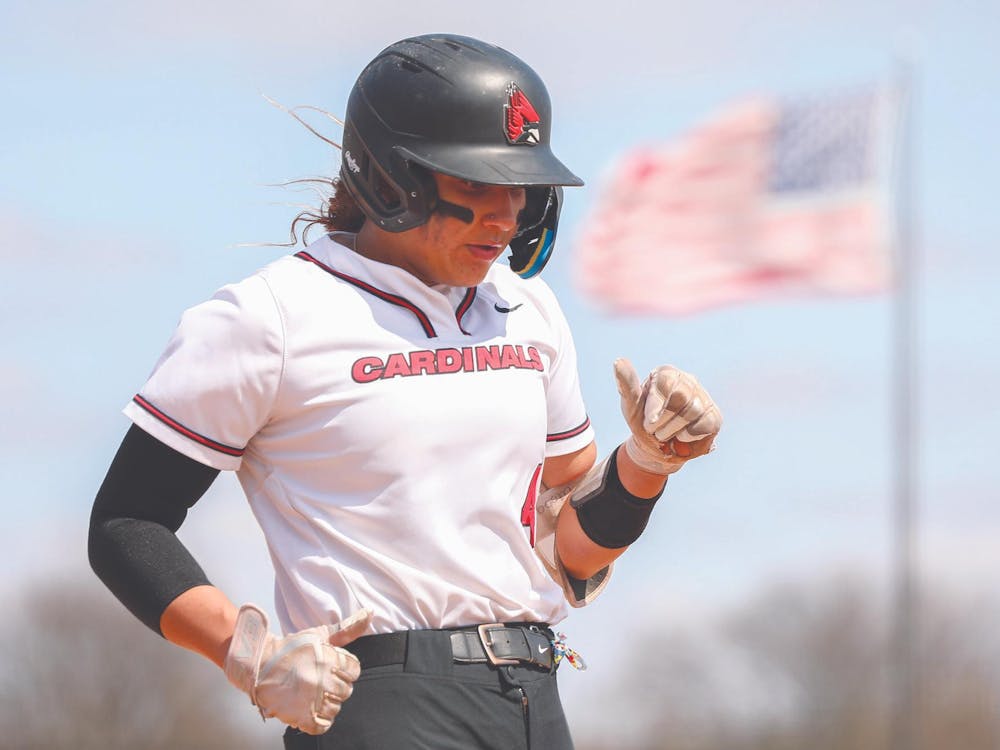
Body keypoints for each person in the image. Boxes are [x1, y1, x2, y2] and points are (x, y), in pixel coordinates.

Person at [89, 33, 721, 750]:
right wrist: (251, 656)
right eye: (477, 183)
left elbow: (566, 549)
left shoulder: (527, 307)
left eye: (519, 185)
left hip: (533, 696)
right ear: (391, 178)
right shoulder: (271, 317)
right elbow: (127, 522)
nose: (508, 214)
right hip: (380, 699)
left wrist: (645, 467)